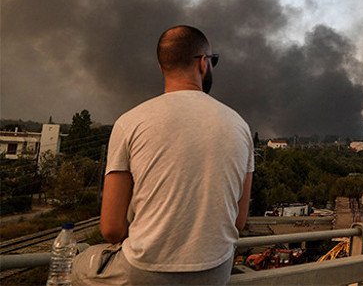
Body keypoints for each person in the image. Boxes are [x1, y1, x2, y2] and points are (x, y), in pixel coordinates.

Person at [72, 26, 254, 285]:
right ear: (203, 63)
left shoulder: (130, 122)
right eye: (213, 61)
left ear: (161, 67)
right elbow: (238, 221)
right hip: (216, 271)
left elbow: (111, 229)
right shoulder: (240, 126)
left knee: (74, 264)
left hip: (144, 272)